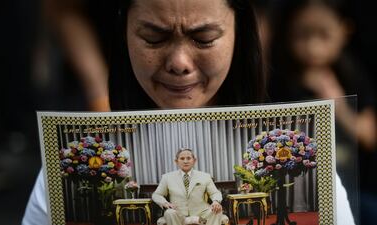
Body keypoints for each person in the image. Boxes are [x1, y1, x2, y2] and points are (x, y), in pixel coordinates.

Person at [22, 0, 355, 224]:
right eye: (153, 38)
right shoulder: (65, 170)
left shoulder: (213, 177)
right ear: (124, 35)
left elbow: (216, 198)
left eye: (204, 38)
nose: (179, 62)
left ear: (240, 35)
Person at [267, 0, 376, 223]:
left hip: (350, 184)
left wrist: (337, 102)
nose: (312, 47)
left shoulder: (351, 74)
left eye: (324, 34)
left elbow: (368, 136)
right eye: (302, 35)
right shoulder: (279, 81)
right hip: (299, 187)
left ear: (345, 31)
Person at [153, 148, 224, 225]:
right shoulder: (167, 177)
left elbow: (215, 193)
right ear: (176, 161)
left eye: (188, 158)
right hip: (178, 216)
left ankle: (200, 221)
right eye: (182, 158)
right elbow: (157, 195)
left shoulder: (205, 176)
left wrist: (216, 201)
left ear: (194, 160)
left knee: (217, 211)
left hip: (201, 215)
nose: (185, 161)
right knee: (169, 213)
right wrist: (165, 203)